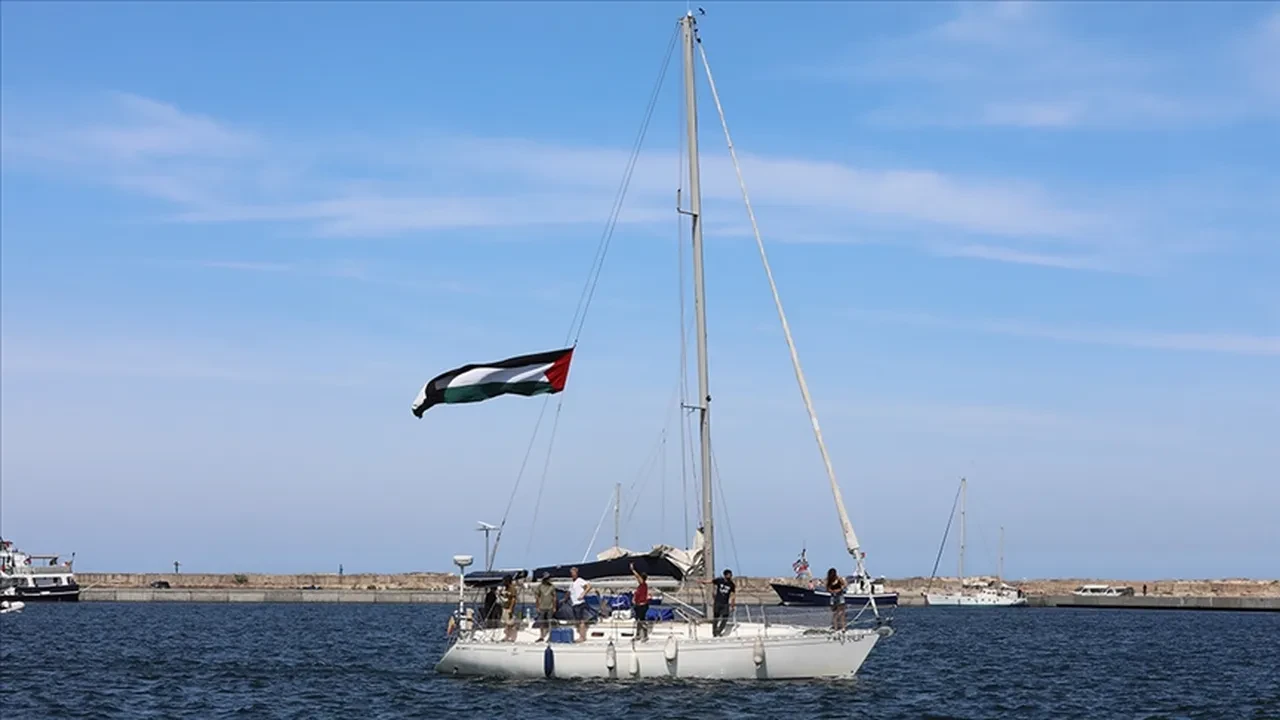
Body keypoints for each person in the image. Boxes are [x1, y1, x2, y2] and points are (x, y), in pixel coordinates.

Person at [701, 568, 736, 637]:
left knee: (725, 617)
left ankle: (719, 630)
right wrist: (704, 581)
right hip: (717, 602)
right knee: (716, 617)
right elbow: (711, 581)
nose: (730, 576)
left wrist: (733, 603)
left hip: (725, 603)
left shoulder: (731, 584)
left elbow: (733, 594)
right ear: (725, 575)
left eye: (731, 575)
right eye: (729, 575)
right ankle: (714, 632)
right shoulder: (720, 580)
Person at [568, 566, 592, 642]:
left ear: (577, 573)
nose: (572, 574)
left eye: (574, 572)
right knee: (577, 621)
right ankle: (580, 635)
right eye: (571, 573)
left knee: (581, 620)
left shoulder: (580, 580)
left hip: (579, 603)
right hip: (574, 604)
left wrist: (583, 594)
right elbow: (569, 592)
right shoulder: (572, 583)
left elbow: (589, 586)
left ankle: (582, 637)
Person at [533, 572, 558, 642]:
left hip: (550, 606)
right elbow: (537, 597)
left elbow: (554, 597)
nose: (548, 579)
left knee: (550, 621)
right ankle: (541, 636)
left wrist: (554, 606)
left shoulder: (552, 586)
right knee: (541, 622)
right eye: (547, 578)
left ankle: (550, 636)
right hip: (542, 607)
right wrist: (537, 606)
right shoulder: (540, 586)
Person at [630, 562, 650, 642]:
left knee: (642, 621)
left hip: (642, 606)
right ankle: (638, 635)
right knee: (638, 621)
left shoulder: (643, 584)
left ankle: (645, 636)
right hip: (638, 606)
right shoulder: (640, 586)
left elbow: (637, 577)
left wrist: (633, 569)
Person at [500, 576, 520, 642]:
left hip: (509, 607)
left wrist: (511, 608)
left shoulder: (512, 589)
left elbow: (513, 599)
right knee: (506, 623)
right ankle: (507, 636)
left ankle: (512, 637)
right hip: (504, 607)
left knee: (510, 623)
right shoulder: (505, 588)